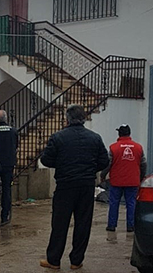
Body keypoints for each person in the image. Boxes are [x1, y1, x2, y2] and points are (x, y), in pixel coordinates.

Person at [39, 105, 109, 270]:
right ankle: (76, 261)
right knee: (83, 223)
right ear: (83, 119)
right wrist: (90, 169)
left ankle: (54, 260)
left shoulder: (58, 138)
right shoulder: (95, 138)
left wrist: (62, 164)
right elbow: (104, 161)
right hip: (86, 185)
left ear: (67, 119)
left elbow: (46, 160)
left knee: (59, 224)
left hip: (65, 185)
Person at [101, 124, 147, 233]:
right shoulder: (138, 147)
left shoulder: (113, 148)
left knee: (114, 203)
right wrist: (141, 177)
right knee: (131, 203)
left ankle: (111, 226)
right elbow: (143, 164)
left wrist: (102, 175)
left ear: (119, 133)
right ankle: (130, 226)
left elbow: (108, 164)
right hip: (132, 181)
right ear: (129, 133)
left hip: (116, 181)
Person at [0, 109, 18, 224]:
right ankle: (5, 215)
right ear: (6, 118)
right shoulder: (13, 131)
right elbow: (15, 146)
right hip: (9, 164)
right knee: (7, 189)